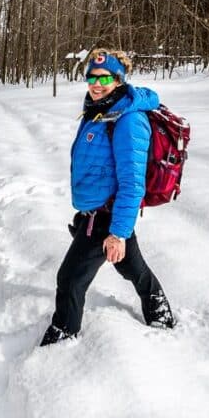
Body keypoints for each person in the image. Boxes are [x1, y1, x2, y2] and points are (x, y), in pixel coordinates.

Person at [40, 49, 175, 346]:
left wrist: (117, 233)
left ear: (118, 79)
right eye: (92, 77)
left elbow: (132, 184)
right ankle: (160, 312)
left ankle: (62, 336)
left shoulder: (128, 121)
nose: (96, 83)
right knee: (131, 266)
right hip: (96, 213)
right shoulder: (98, 110)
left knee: (70, 280)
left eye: (104, 78)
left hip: (106, 217)